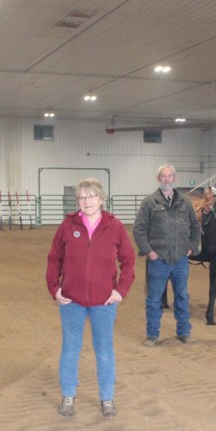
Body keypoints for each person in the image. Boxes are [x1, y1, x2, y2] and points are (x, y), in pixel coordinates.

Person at [46, 178, 135, 418]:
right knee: (70, 349)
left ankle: (107, 398)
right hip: (71, 301)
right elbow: (54, 259)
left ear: (101, 199)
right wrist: (55, 289)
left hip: (103, 302)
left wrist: (120, 291)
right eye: (82, 197)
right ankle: (68, 395)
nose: (87, 201)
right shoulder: (67, 225)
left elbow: (128, 260)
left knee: (104, 350)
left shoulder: (115, 227)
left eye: (92, 196)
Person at [133, 163, 200, 345]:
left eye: (169, 176)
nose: (166, 179)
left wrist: (192, 247)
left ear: (174, 178)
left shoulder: (185, 202)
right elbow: (139, 229)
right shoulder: (149, 202)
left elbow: (195, 227)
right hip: (159, 260)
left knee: (182, 297)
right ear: (158, 179)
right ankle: (152, 335)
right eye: (163, 176)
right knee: (154, 298)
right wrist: (150, 252)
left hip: (180, 260)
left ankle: (184, 332)